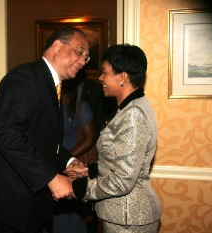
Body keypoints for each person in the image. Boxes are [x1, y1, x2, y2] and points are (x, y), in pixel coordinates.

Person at [0, 26, 90, 233]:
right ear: (57, 46)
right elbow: (7, 134)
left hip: (20, 201)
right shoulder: (26, 77)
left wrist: (68, 161)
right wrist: (51, 177)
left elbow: (38, 138)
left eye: (87, 58)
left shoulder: (50, 84)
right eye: (80, 52)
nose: (83, 61)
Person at [68, 44, 162, 233]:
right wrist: (89, 170)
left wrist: (78, 188)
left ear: (123, 76)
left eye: (105, 72)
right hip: (124, 215)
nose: (100, 78)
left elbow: (123, 180)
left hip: (129, 219)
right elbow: (119, 161)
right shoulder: (131, 107)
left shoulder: (133, 114)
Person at [52, 78, 96, 233]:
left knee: (71, 219)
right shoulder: (49, 106)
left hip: (72, 167)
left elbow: (90, 138)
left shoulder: (80, 106)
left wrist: (67, 159)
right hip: (51, 167)